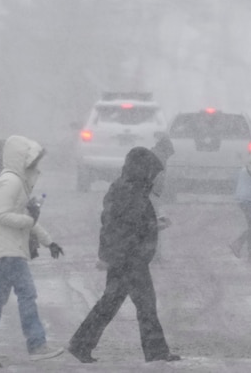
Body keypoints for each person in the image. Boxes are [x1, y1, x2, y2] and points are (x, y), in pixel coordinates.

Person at [67, 147, 180, 364]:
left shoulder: (125, 188)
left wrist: (152, 225)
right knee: (144, 304)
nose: (155, 178)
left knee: (111, 302)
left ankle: (81, 343)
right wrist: (152, 226)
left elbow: (123, 223)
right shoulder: (130, 191)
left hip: (124, 256)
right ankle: (155, 351)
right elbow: (122, 226)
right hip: (129, 258)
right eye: (152, 172)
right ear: (143, 170)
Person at [0, 135, 64, 361]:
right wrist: (30, 221)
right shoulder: (11, 181)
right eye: (31, 161)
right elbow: (2, 215)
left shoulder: (14, 181)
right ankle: (36, 344)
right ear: (20, 159)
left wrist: (48, 241)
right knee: (26, 294)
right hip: (8, 249)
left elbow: (24, 217)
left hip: (5, 249)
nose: (34, 166)